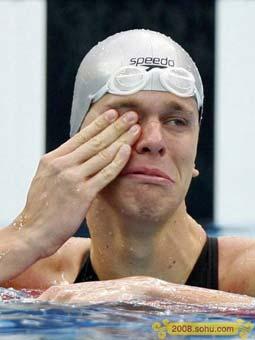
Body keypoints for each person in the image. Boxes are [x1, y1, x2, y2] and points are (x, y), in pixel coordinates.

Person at [1, 29, 255, 307]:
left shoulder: (245, 273)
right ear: (77, 141)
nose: (154, 141)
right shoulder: (30, 275)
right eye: (125, 116)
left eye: (177, 121)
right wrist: (27, 236)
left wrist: (150, 294)